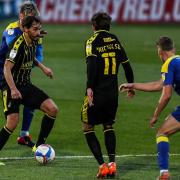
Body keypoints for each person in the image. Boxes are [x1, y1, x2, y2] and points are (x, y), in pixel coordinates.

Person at [81, 12, 134, 178]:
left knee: (87, 127)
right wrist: (131, 85)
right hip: (112, 93)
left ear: (94, 26)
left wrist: (89, 88)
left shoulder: (92, 41)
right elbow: (127, 65)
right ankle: (112, 163)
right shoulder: (115, 40)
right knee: (108, 125)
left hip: (97, 92)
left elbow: (92, 66)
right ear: (108, 26)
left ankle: (102, 166)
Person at [119, 36, 180, 180]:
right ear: (173, 48)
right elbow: (159, 85)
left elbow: (166, 95)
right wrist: (133, 85)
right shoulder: (177, 61)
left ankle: (164, 173)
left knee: (162, 133)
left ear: (160, 51)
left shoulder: (168, 64)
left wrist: (155, 115)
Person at [0, 16, 58, 152]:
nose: (39, 32)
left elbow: (31, 56)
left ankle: (39, 147)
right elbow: (6, 68)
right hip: (11, 88)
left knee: (52, 109)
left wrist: (44, 68)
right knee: (12, 123)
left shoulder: (33, 40)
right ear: (25, 29)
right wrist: (13, 90)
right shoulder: (17, 45)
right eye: (35, 29)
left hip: (26, 86)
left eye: (39, 29)